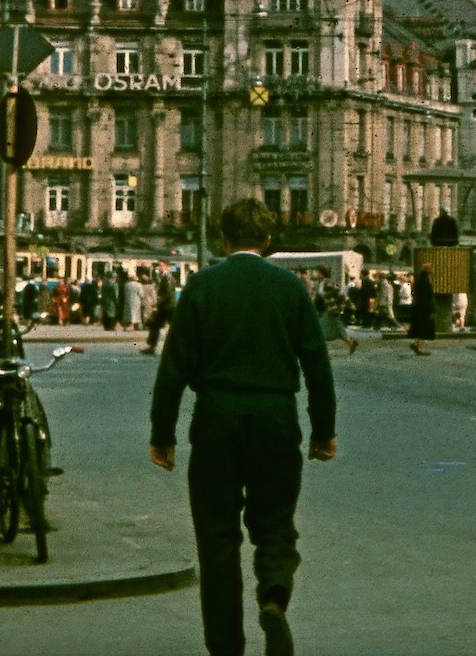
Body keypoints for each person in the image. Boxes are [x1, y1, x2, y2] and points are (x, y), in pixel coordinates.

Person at [149, 199, 336, 656]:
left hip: (216, 418)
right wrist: (323, 430)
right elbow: (317, 362)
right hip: (275, 418)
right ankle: (273, 595)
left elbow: (173, 366)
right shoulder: (290, 286)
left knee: (217, 535)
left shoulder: (202, 285)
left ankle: (226, 645)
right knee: (275, 523)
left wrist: (163, 434)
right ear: (268, 241)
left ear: (223, 239)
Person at [143, 265, 176, 355]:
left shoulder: (168, 277)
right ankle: (152, 346)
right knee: (155, 325)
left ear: (166, 266)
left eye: (160, 266)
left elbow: (168, 293)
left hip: (168, 306)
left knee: (161, 325)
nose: (159, 268)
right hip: (165, 306)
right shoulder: (163, 277)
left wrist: (159, 301)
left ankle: (153, 346)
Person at [407, 263, 436, 356]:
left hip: (418, 307)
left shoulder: (419, 280)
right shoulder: (426, 282)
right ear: (429, 270)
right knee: (424, 328)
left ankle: (416, 343)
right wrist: (431, 310)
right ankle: (419, 347)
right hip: (424, 308)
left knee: (420, 327)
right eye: (432, 269)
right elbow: (427, 297)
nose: (433, 271)